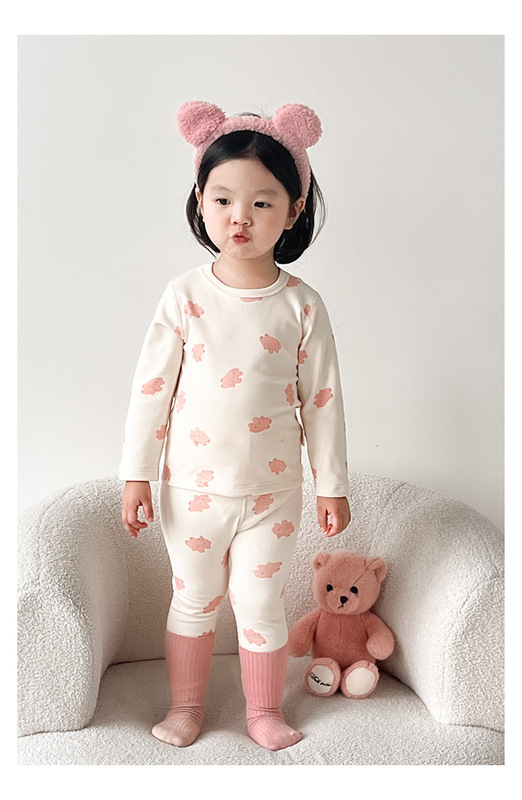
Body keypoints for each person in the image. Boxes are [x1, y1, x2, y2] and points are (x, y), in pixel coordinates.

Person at [119, 101, 351, 751]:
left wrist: (330, 484)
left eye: (261, 203)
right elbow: (151, 392)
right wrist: (136, 475)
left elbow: (324, 401)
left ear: (294, 210)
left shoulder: (302, 305)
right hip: (191, 490)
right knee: (194, 598)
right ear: (201, 202)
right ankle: (186, 708)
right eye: (222, 200)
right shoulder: (184, 297)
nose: (239, 217)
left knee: (260, 603)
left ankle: (264, 713)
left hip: (272, 495)